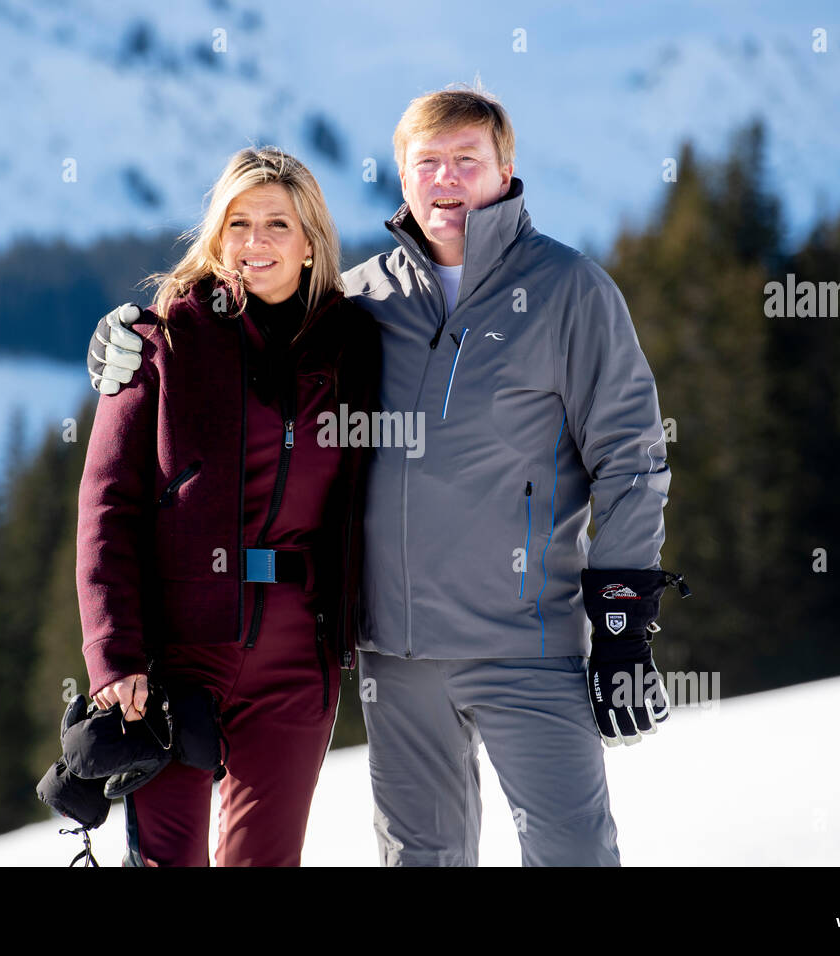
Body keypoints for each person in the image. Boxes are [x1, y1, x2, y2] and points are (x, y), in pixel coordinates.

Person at [88, 85, 688, 867]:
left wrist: (622, 622)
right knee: (419, 860)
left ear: (506, 170)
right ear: (402, 179)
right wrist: (126, 335)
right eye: (427, 163)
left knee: (572, 852)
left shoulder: (569, 293)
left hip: (526, 644)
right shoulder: (360, 305)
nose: (445, 180)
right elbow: (241, 337)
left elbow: (632, 460)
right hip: (395, 660)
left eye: (465, 161)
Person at [77, 146, 380, 866]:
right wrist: (113, 653)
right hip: (179, 653)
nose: (255, 242)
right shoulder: (167, 339)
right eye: (238, 223)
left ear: (311, 243)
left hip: (296, 653)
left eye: (277, 223)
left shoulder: (354, 345)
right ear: (216, 237)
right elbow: (107, 504)